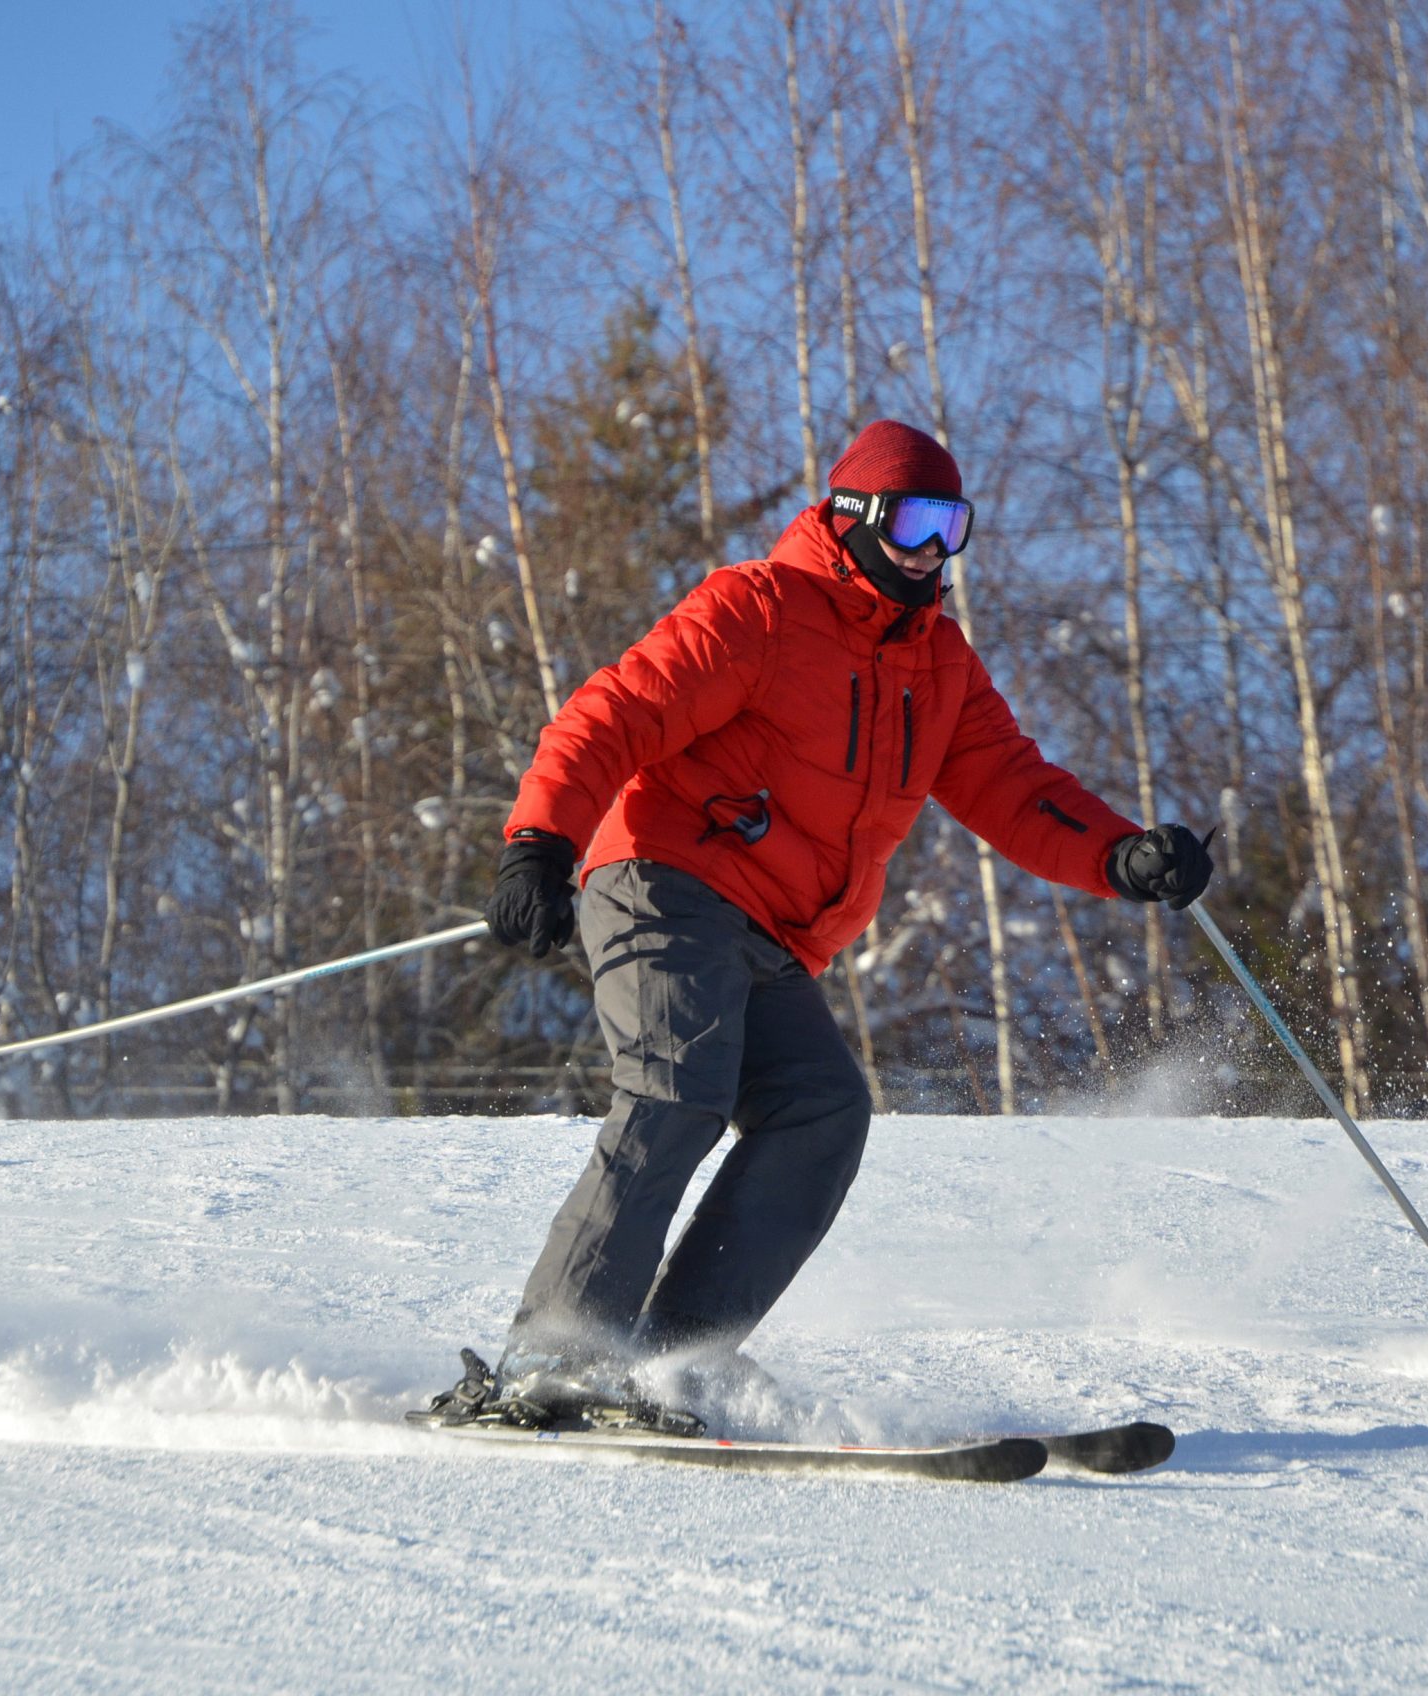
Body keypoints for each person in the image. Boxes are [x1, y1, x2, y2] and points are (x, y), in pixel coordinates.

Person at [468, 419, 1212, 1427]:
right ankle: (553, 1353)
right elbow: (615, 712)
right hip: (663, 878)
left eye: (953, 527)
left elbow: (1014, 786)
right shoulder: (761, 608)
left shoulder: (938, 665)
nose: (931, 551)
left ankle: (669, 1358)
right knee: (677, 1086)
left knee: (821, 1111)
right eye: (914, 523)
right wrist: (538, 844)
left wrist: (1119, 855)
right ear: (854, 516)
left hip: (768, 929)